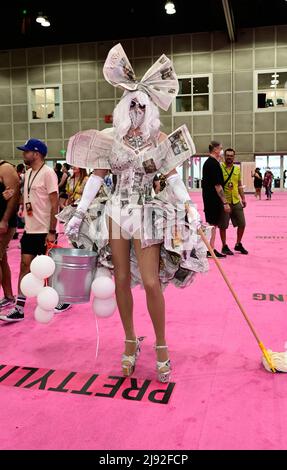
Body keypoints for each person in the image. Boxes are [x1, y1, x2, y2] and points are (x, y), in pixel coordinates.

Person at [63, 43, 210, 383]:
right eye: (132, 105)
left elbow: (173, 175)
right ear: (123, 107)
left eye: (142, 106)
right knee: (120, 280)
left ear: (150, 109)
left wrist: (189, 205)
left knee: (149, 281)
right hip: (115, 213)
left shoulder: (158, 138)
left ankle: (161, 344)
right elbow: (96, 177)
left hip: (146, 213)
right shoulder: (109, 139)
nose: (137, 111)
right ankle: (130, 340)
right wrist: (80, 212)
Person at [0, 139, 58, 323]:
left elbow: (55, 203)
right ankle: (19, 308)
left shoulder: (48, 173)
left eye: (26, 152)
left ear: (37, 153)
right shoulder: (29, 173)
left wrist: (52, 230)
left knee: (48, 270)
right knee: (25, 266)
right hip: (30, 229)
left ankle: (56, 300)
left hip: (44, 229)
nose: (23, 154)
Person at [202, 141, 230, 258]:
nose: (222, 151)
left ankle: (211, 248)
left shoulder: (209, 163)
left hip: (209, 197)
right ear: (215, 149)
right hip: (212, 199)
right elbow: (218, 186)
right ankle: (210, 249)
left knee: (213, 224)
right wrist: (225, 202)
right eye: (221, 148)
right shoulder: (213, 164)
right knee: (212, 224)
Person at [218, 148, 248, 255]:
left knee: (242, 223)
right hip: (225, 201)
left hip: (236, 200)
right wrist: (223, 202)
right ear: (224, 156)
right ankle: (224, 246)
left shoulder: (237, 169)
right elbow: (217, 185)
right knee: (223, 226)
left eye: (231, 155)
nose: (229, 157)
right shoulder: (220, 168)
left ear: (234, 157)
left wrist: (243, 198)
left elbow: (239, 185)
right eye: (228, 155)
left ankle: (238, 244)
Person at [0, 161, 20, 310]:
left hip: (3, 222)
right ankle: (8, 296)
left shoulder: (5, 168)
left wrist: (5, 220)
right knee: (2, 259)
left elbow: (14, 197)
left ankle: (8, 296)